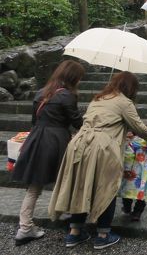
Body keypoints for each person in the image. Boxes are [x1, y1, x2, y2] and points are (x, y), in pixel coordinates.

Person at [49, 71, 147, 250]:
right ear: (131, 88)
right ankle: (103, 235)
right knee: (107, 187)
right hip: (102, 147)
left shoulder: (98, 98)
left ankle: (74, 233)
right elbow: (140, 127)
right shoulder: (124, 102)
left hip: (78, 143)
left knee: (80, 186)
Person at [12, 60, 86, 246]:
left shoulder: (41, 93)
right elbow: (77, 123)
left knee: (34, 187)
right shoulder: (67, 96)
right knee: (65, 179)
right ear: (73, 77)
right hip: (57, 141)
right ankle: (67, 216)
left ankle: (25, 227)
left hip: (37, 139)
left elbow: (34, 120)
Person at [119, 133, 147, 221]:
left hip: (131, 169)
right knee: (143, 188)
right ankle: (137, 212)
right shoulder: (146, 141)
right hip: (144, 168)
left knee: (127, 187)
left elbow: (127, 154)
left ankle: (129, 209)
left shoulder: (127, 141)